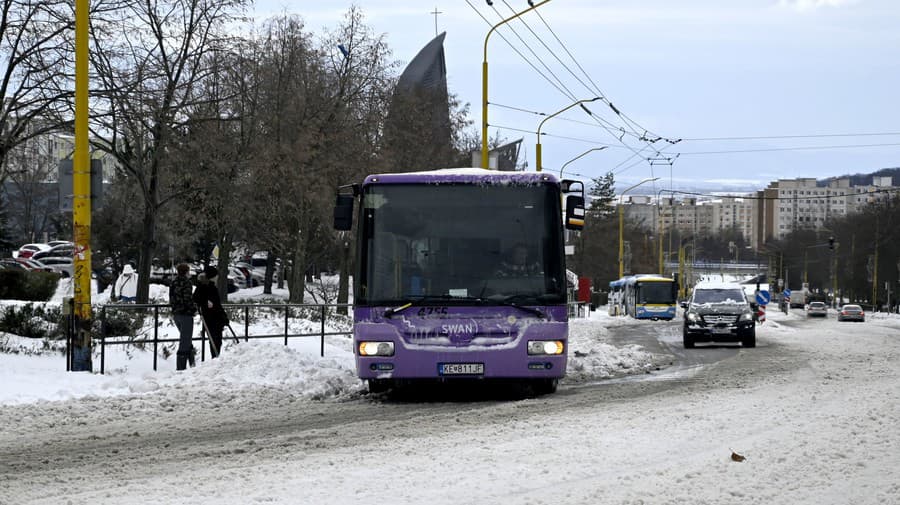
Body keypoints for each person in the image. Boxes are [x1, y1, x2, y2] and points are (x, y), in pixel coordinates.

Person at [192, 265, 228, 358]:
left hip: (215, 317)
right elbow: (196, 298)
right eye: (215, 276)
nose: (217, 278)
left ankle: (215, 356)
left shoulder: (211, 286)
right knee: (215, 339)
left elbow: (217, 304)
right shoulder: (205, 287)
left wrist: (223, 316)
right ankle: (215, 357)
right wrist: (206, 302)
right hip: (211, 317)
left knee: (217, 340)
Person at [169, 263, 196, 370]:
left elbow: (171, 297)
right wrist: (193, 309)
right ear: (186, 272)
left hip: (176, 314)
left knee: (186, 339)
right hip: (186, 314)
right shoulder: (187, 283)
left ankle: (192, 364)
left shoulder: (173, 282)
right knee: (185, 340)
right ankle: (181, 368)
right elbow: (187, 299)